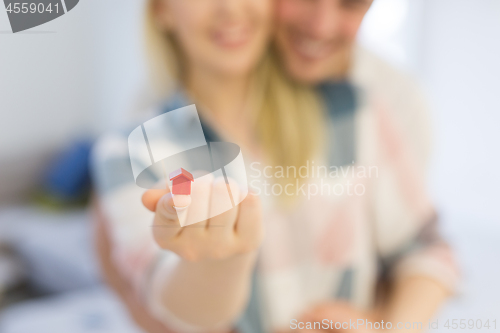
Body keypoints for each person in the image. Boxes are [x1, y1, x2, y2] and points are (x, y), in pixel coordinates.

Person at [92, 0, 459, 332]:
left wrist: (388, 329)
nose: (231, 8)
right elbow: (174, 309)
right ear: (161, 10)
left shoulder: (356, 110)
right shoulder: (131, 150)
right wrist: (222, 257)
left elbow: (424, 249)